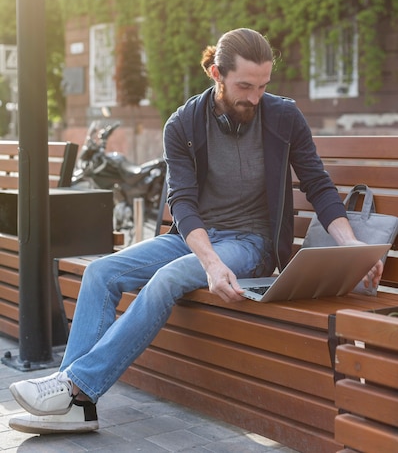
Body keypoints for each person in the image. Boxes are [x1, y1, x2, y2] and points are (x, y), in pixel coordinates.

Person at [9, 27, 383, 434]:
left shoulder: (283, 115)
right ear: (215, 73)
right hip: (195, 238)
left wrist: (352, 247)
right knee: (101, 273)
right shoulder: (183, 124)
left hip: (250, 244)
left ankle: (73, 389)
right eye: (245, 86)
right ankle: (76, 402)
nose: (255, 98)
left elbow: (318, 184)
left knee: (168, 278)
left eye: (263, 86)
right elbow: (182, 204)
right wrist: (209, 261)